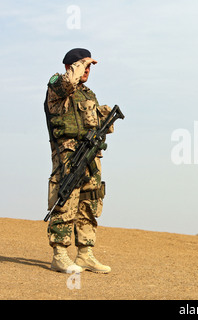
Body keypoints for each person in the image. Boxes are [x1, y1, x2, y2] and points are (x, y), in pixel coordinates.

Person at [44, 48, 113, 273]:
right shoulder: (57, 85)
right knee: (66, 199)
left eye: (90, 66)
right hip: (68, 155)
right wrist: (79, 65)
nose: (87, 70)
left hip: (90, 154)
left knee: (90, 200)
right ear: (70, 66)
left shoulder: (88, 94)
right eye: (83, 65)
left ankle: (85, 253)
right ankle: (60, 255)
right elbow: (67, 83)